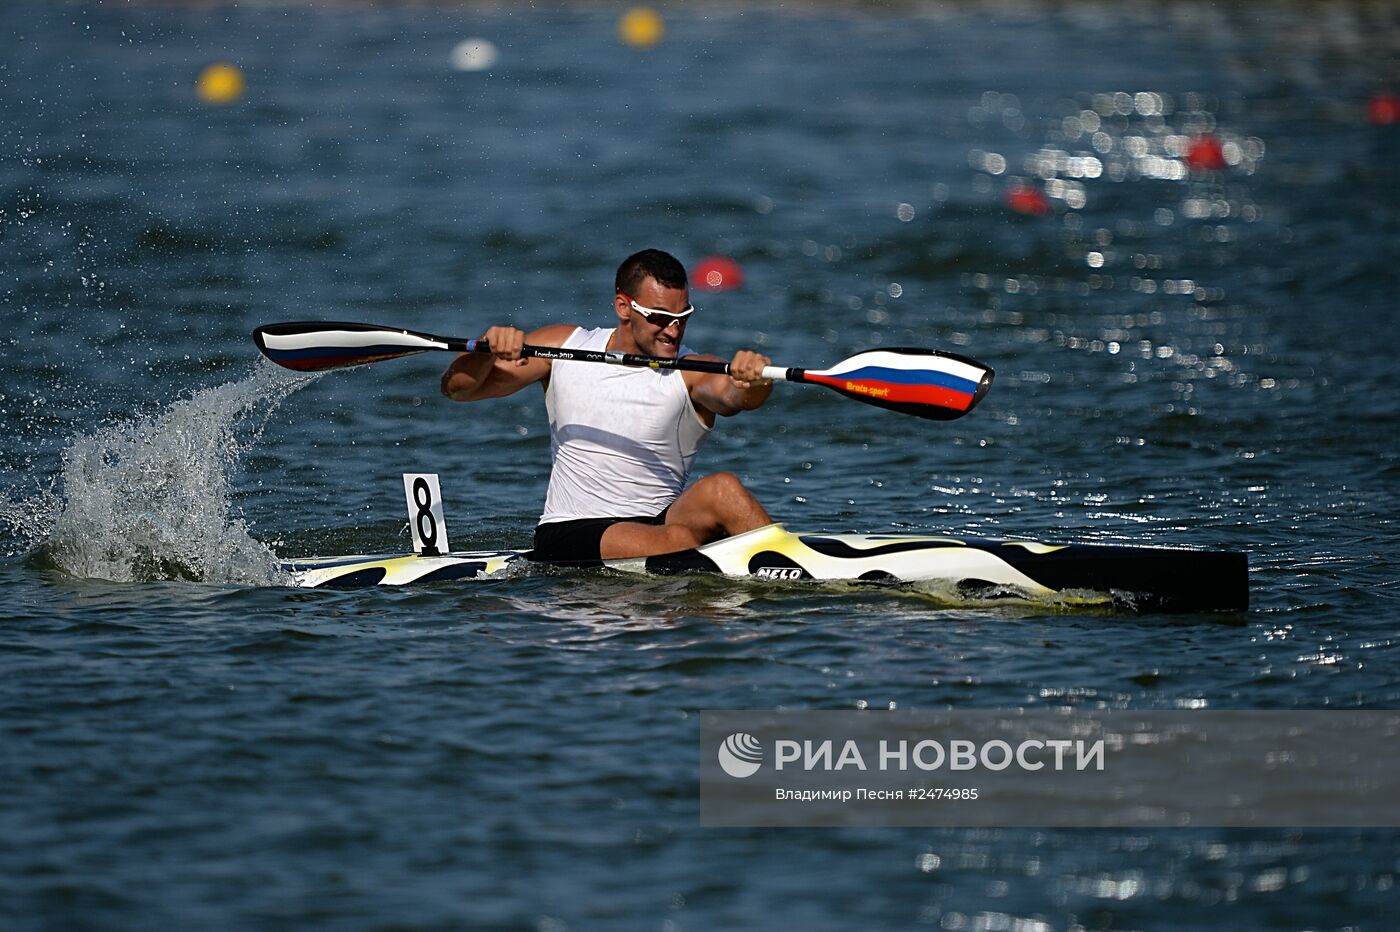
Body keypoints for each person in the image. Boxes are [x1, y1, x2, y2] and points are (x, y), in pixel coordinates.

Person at [441, 249, 775, 563]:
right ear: (623, 307)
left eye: (682, 317)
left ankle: (785, 564)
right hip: (572, 531)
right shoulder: (563, 346)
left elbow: (736, 399)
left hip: (660, 524)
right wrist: (485, 349)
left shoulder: (693, 371)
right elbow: (458, 390)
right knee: (680, 543)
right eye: (660, 318)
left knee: (723, 488)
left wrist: (754, 381)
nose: (673, 331)